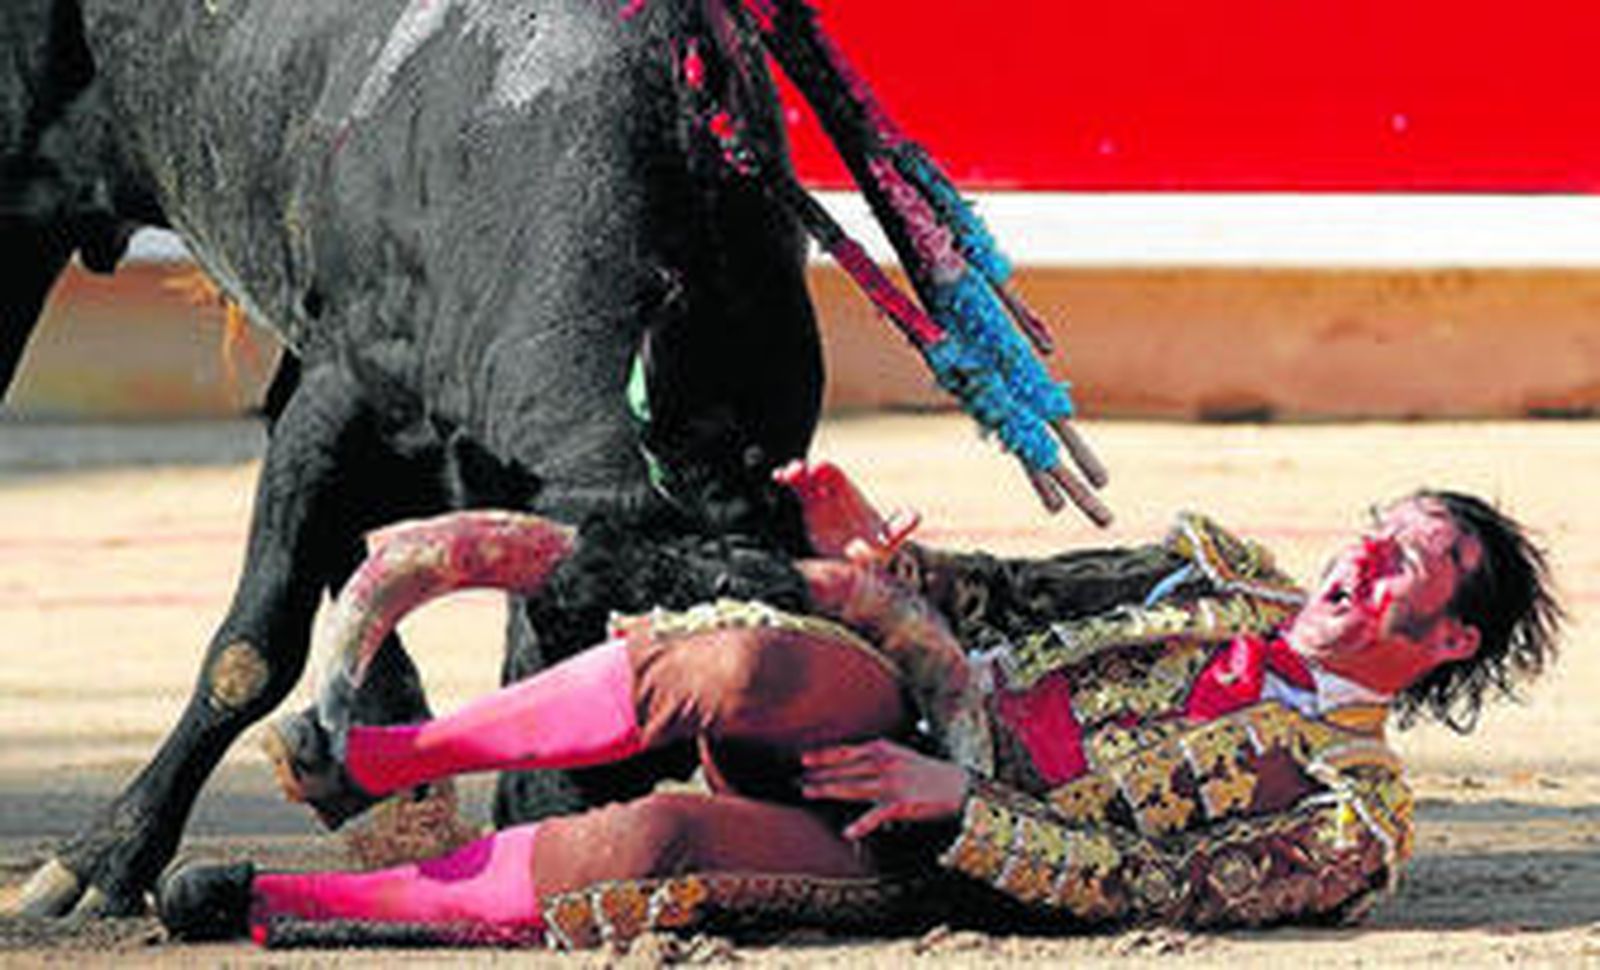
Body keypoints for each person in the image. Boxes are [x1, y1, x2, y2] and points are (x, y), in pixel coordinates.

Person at [156, 463, 1560, 948]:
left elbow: (1164, 885)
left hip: (941, 848)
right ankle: (384, 749)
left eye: (1401, 565)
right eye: (1374, 529)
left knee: (658, 851)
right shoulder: (1209, 563)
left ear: (1442, 640)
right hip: (924, 701)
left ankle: (292, 902)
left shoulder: (1351, 819)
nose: (1354, 555)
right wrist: (880, 546)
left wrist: (967, 808)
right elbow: (1001, 597)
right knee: (754, 664)